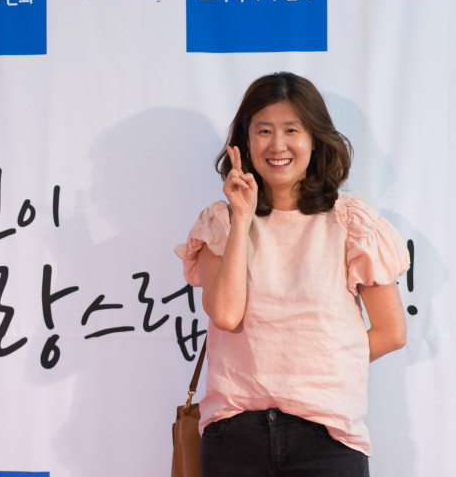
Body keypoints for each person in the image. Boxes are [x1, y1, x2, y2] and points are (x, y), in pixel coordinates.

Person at [174, 72, 410, 476]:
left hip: (327, 435)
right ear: (245, 141)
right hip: (234, 436)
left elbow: (391, 332)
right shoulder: (220, 222)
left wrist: (307, 367)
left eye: (291, 130)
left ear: (314, 139)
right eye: (264, 130)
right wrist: (242, 217)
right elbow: (226, 315)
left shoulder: (350, 222)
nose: (277, 145)